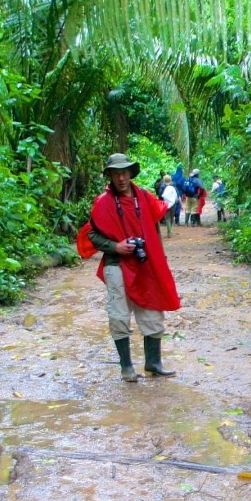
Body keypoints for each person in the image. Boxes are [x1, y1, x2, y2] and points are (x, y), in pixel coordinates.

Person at [85, 153, 181, 382]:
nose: (121, 178)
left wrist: (157, 257)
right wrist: (115, 246)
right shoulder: (103, 202)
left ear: (131, 173)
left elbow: (153, 228)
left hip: (144, 263)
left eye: (124, 173)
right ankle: (126, 367)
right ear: (110, 176)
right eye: (116, 174)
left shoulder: (144, 197)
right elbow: (91, 234)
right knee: (119, 314)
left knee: (152, 310)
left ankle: (153, 362)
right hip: (116, 263)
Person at [160, 174, 178, 239]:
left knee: (167, 218)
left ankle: (169, 232)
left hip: (165, 204)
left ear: (164, 180)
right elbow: (176, 195)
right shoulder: (174, 186)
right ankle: (170, 231)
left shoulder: (162, 186)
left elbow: (160, 195)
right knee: (171, 217)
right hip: (173, 204)